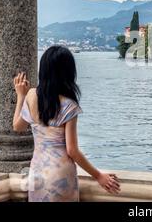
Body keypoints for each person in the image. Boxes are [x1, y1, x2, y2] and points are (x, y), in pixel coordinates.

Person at [12, 45, 120, 202]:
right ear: (68, 73)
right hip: (61, 176)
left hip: (37, 173)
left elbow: (18, 126)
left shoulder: (30, 95)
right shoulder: (69, 105)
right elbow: (72, 150)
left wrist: (20, 96)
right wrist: (98, 176)